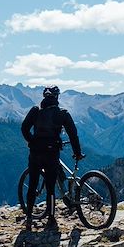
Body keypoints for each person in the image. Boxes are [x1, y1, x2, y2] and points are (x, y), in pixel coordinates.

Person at [21, 85, 83, 231]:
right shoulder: (62, 113)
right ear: (57, 97)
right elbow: (73, 134)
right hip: (51, 153)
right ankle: (51, 218)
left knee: (32, 185)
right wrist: (77, 152)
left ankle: (29, 218)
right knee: (50, 188)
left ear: (44, 97)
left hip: (36, 153)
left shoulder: (35, 111)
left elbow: (24, 128)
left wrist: (32, 141)